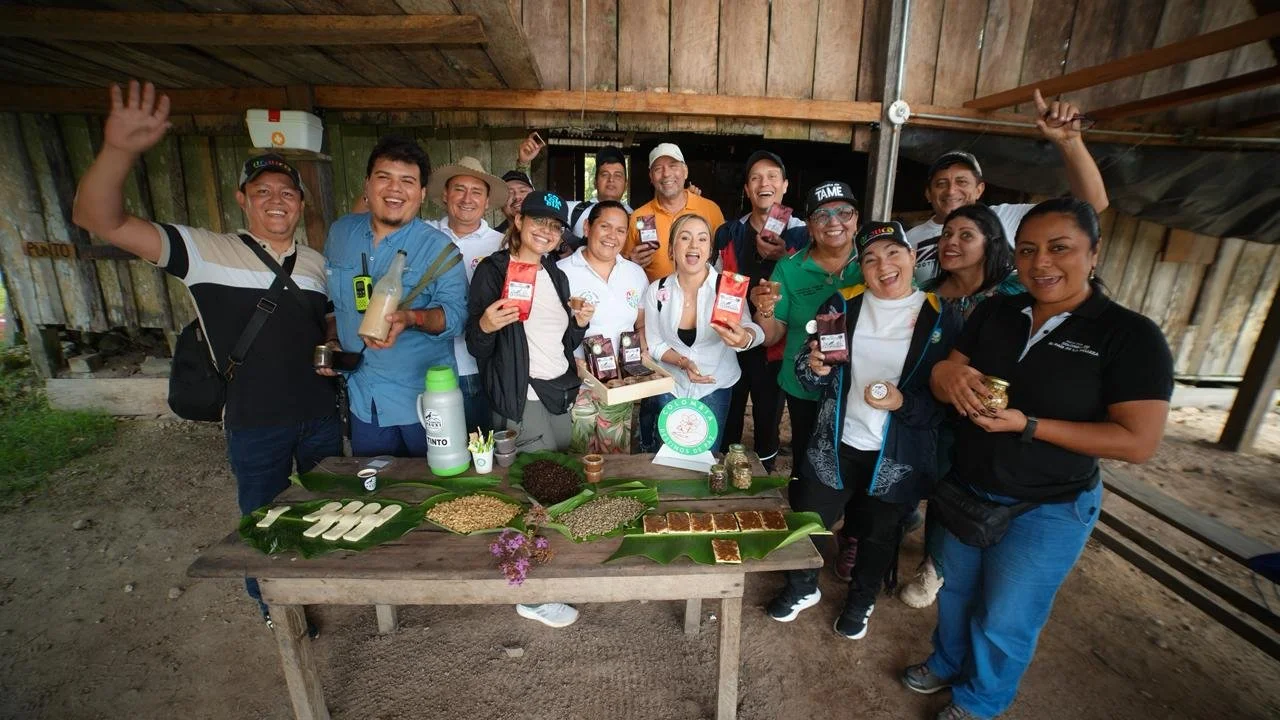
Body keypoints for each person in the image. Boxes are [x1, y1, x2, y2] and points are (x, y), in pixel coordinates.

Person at [72, 81, 340, 627]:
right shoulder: (204, 252)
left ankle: (321, 585)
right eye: (262, 191)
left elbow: (322, 324)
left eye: (287, 193)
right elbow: (100, 220)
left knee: (328, 511)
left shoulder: (316, 262)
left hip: (319, 414)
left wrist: (334, 342)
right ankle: (277, 609)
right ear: (242, 200)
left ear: (301, 203)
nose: (276, 200)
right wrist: (119, 149)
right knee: (263, 518)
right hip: (255, 420)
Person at [905, 197, 1173, 720]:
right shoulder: (997, 311)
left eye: (1059, 248)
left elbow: (1138, 442)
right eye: (1028, 250)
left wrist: (1029, 425)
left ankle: (979, 701)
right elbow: (945, 379)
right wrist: (946, 374)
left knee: (1006, 616)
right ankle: (948, 661)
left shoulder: (1129, 336)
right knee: (956, 592)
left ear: (1094, 252)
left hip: (1049, 505)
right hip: (970, 485)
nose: (1041, 262)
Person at [765, 221, 961, 643]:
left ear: (912, 257)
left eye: (893, 254)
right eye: (870, 258)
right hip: (836, 441)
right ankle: (802, 586)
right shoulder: (843, 302)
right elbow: (808, 369)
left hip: (899, 451)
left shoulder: (940, 316)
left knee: (880, 533)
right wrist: (814, 368)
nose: (882, 266)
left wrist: (903, 403)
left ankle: (861, 600)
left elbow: (947, 400)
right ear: (862, 267)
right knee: (807, 516)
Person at [466, 190, 592, 629]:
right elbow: (476, 344)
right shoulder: (493, 271)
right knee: (535, 491)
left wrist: (579, 324)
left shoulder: (556, 274)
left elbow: (564, 343)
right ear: (518, 221)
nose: (546, 231)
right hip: (523, 397)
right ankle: (533, 596)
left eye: (555, 226)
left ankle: (549, 572)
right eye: (538, 220)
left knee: (559, 487)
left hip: (559, 394)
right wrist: (486, 324)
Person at [898, 203, 1025, 609]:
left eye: (966, 235)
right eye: (947, 235)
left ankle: (933, 566)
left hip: (984, 414)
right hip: (929, 405)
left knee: (953, 491)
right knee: (921, 475)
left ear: (992, 242)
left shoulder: (1013, 294)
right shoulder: (930, 293)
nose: (951, 242)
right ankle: (904, 526)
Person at [319, 136, 468, 457]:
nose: (395, 189)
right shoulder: (341, 234)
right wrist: (332, 341)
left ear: (422, 193)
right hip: (364, 397)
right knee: (374, 481)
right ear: (367, 184)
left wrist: (412, 318)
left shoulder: (440, 249)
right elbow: (334, 301)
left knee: (432, 483)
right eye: (384, 177)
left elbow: (456, 317)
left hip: (423, 402)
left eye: (407, 181)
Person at [906, 89, 1109, 286]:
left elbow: (1092, 204)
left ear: (979, 190)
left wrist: (1070, 142)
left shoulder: (1006, 217)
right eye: (941, 183)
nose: (951, 191)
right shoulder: (910, 239)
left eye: (962, 182)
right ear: (928, 194)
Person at [748, 180, 863, 505]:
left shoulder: (873, 264)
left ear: (856, 219)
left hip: (859, 387)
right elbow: (772, 335)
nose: (834, 222)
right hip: (804, 388)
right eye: (822, 216)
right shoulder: (789, 268)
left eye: (844, 212)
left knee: (856, 463)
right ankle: (807, 517)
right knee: (807, 466)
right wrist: (764, 309)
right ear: (809, 227)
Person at [716, 150, 808, 471]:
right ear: (747, 189)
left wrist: (786, 257)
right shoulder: (729, 232)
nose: (764, 183)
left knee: (768, 419)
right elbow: (717, 281)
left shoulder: (803, 234)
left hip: (778, 346)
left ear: (785, 185)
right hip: (733, 342)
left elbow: (813, 284)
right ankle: (725, 475)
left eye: (772, 176)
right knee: (730, 415)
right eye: (755, 178)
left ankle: (765, 478)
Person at [640, 214, 764, 450]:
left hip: (714, 386)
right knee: (664, 457)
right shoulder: (657, 290)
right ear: (671, 249)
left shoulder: (728, 287)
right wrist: (683, 362)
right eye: (685, 238)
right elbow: (655, 345)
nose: (693, 245)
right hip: (670, 386)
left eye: (702, 239)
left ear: (710, 251)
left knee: (706, 459)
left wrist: (744, 338)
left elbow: (755, 330)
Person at [425, 156, 508, 434]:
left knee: (479, 444)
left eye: (476, 192)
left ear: (487, 201)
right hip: (428, 366)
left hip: (479, 365)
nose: (467, 199)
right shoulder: (423, 235)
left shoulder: (501, 245)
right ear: (445, 194)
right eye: (459, 189)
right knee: (437, 444)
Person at [558, 200, 648, 453]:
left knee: (615, 454)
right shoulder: (561, 272)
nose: (612, 236)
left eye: (620, 230)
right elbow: (546, 332)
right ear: (587, 227)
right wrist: (570, 361)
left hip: (619, 386)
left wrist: (643, 354)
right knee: (578, 456)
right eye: (605, 226)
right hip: (576, 385)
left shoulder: (635, 274)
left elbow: (641, 324)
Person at [623, 142, 726, 282]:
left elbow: (725, 259)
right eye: (658, 169)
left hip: (702, 294)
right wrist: (630, 263)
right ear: (651, 177)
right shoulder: (638, 217)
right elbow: (622, 264)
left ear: (685, 171)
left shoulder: (710, 210)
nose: (666, 174)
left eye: (673, 166)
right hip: (654, 295)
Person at [565, 145, 632, 240]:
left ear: (626, 184)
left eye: (617, 176)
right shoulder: (574, 210)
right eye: (605, 175)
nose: (611, 179)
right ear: (595, 182)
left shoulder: (635, 217)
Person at [495, 169, 534, 234]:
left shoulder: (549, 234)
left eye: (523, 191)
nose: (517, 196)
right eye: (509, 193)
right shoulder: (492, 237)